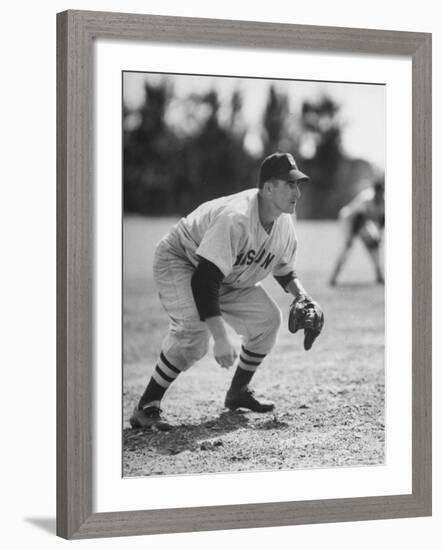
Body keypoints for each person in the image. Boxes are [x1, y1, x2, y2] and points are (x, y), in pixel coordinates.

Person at [130, 152, 323, 431]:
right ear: (268, 188)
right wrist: (220, 337)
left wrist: (302, 296)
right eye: (290, 184)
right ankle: (146, 406)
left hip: (224, 275)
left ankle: (238, 393)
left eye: (298, 185)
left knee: (267, 320)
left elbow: (283, 270)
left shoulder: (284, 225)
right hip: (183, 259)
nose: (298, 192)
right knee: (195, 333)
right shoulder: (237, 217)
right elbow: (204, 280)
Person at [329, 177, 385, 286]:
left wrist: (378, 235)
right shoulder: (367, 198)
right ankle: (333, 278)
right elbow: (359, 219)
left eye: (382, 190)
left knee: (374, 246)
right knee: (347, 247)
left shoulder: (384, 201)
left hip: (362, 222)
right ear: (375, 190)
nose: (380, 193)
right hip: (348, 219)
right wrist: (351, 238)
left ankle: (379, 276)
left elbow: (383, 220)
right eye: (379, 190)